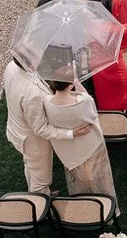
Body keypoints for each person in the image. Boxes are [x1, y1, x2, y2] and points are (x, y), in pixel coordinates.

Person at [3, 58, 91, 194]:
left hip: (18, 130)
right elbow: (41, 129)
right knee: (41, 180)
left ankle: (41, 192)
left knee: (31, 167)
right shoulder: (32, 95)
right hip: (33, 142)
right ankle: (42, 207)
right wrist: (71, 133)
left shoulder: (11, 67)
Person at [44, 75, 119, 210]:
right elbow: (91, 111)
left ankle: (84, 210)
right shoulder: (83, 101)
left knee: (77, 182)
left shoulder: (47, 102)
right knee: (101, 179)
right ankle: (108, 209)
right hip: (91, 146)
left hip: (68, 150)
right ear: (70, 84)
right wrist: (77, 82)